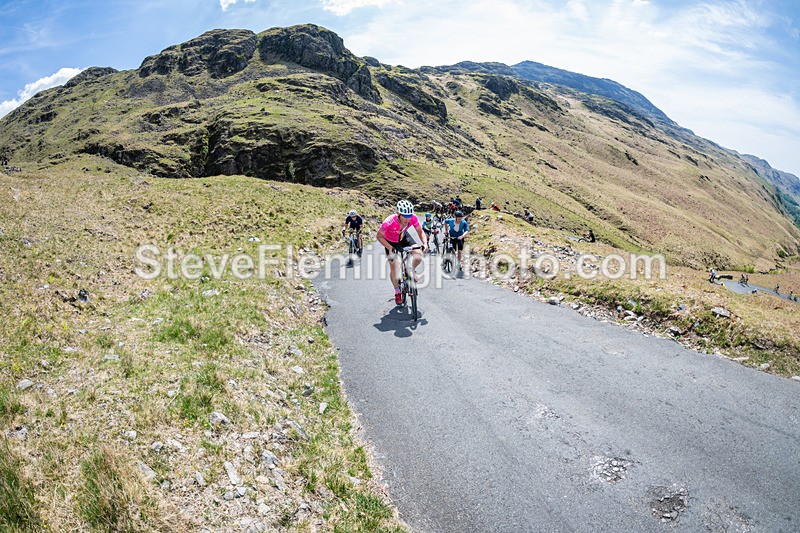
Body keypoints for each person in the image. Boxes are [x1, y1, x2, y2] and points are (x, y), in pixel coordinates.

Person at [377, 200, 428, 305]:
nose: (407, 219)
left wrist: (425, 243)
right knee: (395, 267)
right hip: (390, 242)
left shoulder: (413, 218)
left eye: (409, 216)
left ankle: (411, 270)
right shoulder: (388, 222)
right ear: (398, 214)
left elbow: (420, 231)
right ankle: (397, 291)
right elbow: (379, 236)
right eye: (404, 216)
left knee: (418, 254)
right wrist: (389, 247)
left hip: (403, 238)